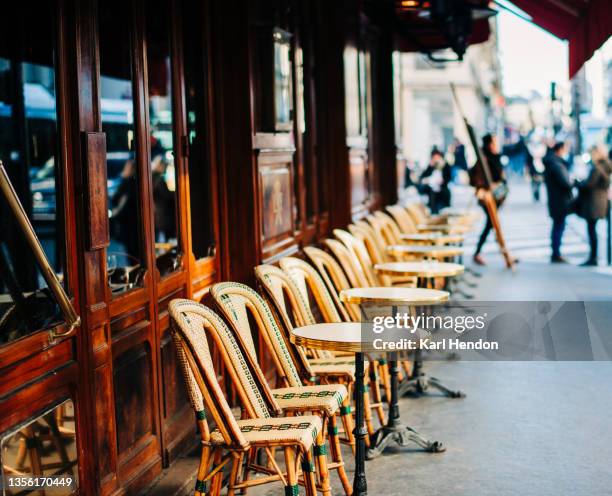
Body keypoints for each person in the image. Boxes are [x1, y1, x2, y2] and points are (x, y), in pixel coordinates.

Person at [471, 134, 506, 266]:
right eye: (494, 142)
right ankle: (479, 252)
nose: (496, 145)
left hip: (495, 197)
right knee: (491, 224)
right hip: (487, 197)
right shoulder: (485, 159)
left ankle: (499, 250)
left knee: (491, 224)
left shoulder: (493, 157)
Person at [575, 144, 612, 266]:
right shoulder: (607, 165)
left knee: (591, 230)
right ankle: (594, 257)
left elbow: (589, 185)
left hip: (594, 202)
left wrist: (578, 183)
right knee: (593, 229)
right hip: (601, 201)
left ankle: (593, 257)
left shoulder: (597, 168)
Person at [543, 141, 573, 263]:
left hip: (556, 200)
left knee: (558, 226)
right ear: (559, 150)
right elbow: (566, 183)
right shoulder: (556, 164)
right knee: (558, 227)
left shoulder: (553, 163)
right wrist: (574, 182)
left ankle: (556, 253)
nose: (566, 152)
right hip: (559, 201)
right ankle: (556, 254)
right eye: (565, 149)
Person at [419, 149, 452, 214]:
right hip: (432, 188)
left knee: (445, 194)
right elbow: (423, 177)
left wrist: (443, 181)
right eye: (434, 157)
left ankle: (443, 210)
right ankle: (433, 211)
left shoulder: (445, 165)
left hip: (442, 187)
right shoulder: (431, 165)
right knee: (432, 194)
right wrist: (431, 167)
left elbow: (448, 177)